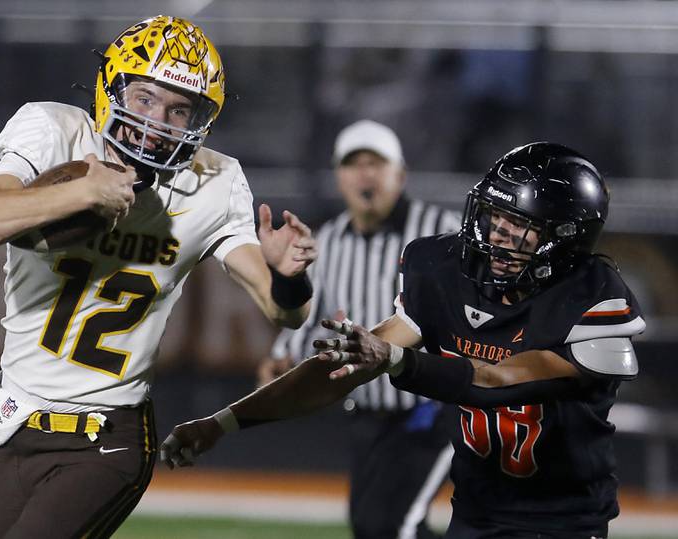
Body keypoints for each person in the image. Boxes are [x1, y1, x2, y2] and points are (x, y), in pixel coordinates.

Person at [0, 15, 317, 539]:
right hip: (13, 418)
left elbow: (285, 311)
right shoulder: (56, 131)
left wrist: (289, 276)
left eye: (178, 108)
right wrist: (84, 193)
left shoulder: (214, 179)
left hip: (107, 437)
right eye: (144, 97)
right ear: (110, 87)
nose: (157, 120)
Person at [161, 142, 646, 539]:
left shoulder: (593, 297)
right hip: (475, 514)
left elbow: (500, 379)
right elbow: (343, 369)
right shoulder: (443, 269)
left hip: (564, 523)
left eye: (518, 228)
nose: (497, 235)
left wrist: (394, 360)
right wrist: (222, 423)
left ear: (564, 239)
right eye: (495, 218)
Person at [259, 119, 460, 539]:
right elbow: (311, 319)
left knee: (396, 525)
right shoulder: (328, 241)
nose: (365, 174)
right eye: (354, 164)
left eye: (376, 163)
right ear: (339, 176)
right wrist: (283, 357)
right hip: (367, 413)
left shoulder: (442, 232)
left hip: (431, 411)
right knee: (371, 527)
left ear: (400, 174)